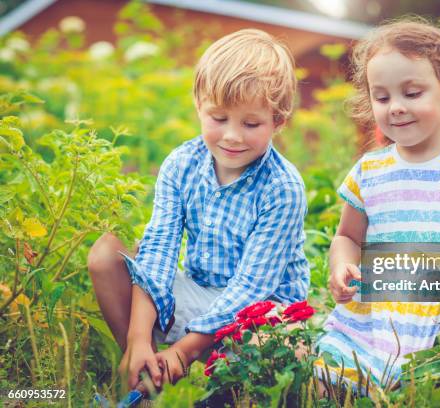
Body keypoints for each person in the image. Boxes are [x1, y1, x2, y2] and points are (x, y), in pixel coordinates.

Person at [87, 29, 309, 391]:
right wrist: (139, 336)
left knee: (285, 346)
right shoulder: (182, 164)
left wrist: (186, 349)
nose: (232, 136)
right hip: (197, 291)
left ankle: (209, 382)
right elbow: (159, 251)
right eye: (218, 118)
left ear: (278, 122)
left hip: (258, 314)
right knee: (106, 255)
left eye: (250, 124)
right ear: (199, 106)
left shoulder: (283, 188)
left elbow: (252, 287)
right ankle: (145, 369)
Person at [315, 19, 440, 391]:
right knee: (328, 382)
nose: (396, 108)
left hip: (433, 328)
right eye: (383, 97)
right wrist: (342, 266)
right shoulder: (370, 169)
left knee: (417, 391)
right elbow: (347, 236)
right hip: (369, 321)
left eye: (412, 92)